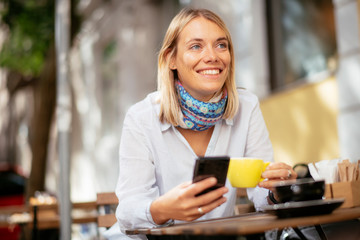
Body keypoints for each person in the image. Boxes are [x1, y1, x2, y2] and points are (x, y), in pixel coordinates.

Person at [114, 7, 297, 240]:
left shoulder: (247, 106)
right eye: (196, 46)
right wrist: (161, 209)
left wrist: (279, 191)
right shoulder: (141, 118)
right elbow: (127, 211)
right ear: (171, 59)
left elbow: (262, 197)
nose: (213, 56)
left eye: (221, 45)